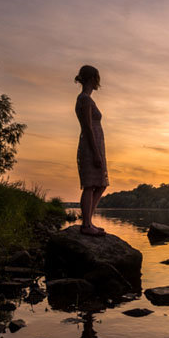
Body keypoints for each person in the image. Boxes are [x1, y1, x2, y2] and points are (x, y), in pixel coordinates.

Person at [74, 65, 108, 235]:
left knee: (100, 184)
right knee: (90, 185)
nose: (98, 81)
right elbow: (87, 127)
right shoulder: (85, 99)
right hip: (90, 146)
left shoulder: (85, 99)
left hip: (94, 146)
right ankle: (86, 225)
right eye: (97, 78)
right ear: (91, 79)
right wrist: (95, 152)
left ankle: (88, 221)